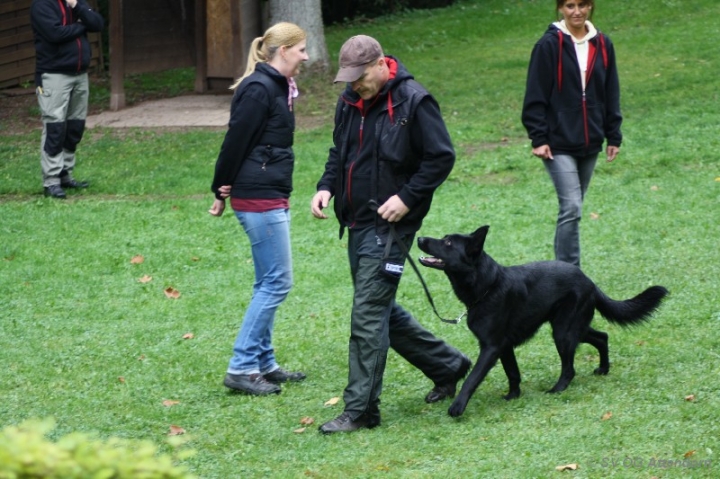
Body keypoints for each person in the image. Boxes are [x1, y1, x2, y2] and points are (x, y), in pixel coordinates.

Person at [311, 35, 471, 434]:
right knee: (378, 307)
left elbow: (441, 157)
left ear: (382, 65)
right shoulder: (349, 101)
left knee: (367, 313)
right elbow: (339, 151)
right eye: (348, 78)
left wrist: (407, 197)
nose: (354, 85)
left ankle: (362, 410)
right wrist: (326, 185)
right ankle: (448, 364)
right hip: (356, 220)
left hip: (392, 225)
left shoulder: (415, 102)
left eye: (360, 77)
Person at [209, 22, 309, 396]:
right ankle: (241, 367)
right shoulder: (258, 87)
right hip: (257, 194)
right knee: (278, 281)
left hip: (268, 189)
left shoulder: (277, 86)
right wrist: (219, 188)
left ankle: (264, 363)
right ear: (282, 51)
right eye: (301, 49)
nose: (305, 56)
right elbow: (235, 140)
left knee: (267, 280)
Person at [521, 0, 622, 267]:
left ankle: (563, 273)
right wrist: (538, 137)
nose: (576, 11)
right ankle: (569, 273)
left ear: (591, 7)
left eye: (582, 5)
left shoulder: (602, 44)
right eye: (570, 5)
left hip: (591, 141)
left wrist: (614, 134)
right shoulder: (548, 45)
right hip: (557, 142)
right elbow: (535, 93)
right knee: (572, 207)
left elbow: (611, 90)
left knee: (574, 209)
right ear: (560, 9)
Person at [30, 0, 104, 199]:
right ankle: (51, 181)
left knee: (74, 127)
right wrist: (81, 25)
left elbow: (97, 23)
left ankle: (65, 175)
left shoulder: (76, 2)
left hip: (80, 75)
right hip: (54, 76)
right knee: (55, 127)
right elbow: (55, 34)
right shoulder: (41, 5)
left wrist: (78, 6)